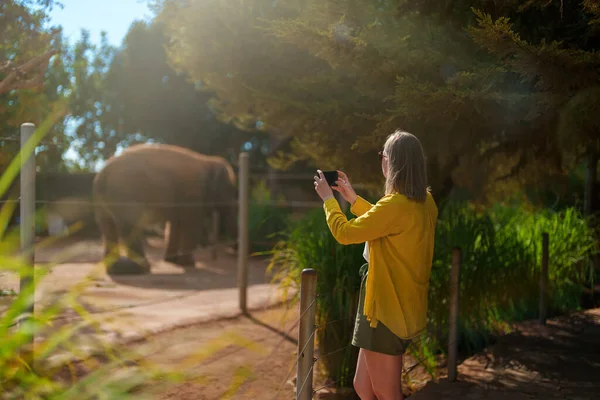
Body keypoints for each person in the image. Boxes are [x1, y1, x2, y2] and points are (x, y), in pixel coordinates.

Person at [313, 130, 438, 400]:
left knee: (385, 393)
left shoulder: (394, 205)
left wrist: (329, 201)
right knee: (363, 387)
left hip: (383, 309)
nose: (381, 160)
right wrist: (353, 199)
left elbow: (345, 233)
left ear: (391, 163)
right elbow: (386, 223)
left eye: (383, 155)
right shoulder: (425, 203)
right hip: (402, 306)